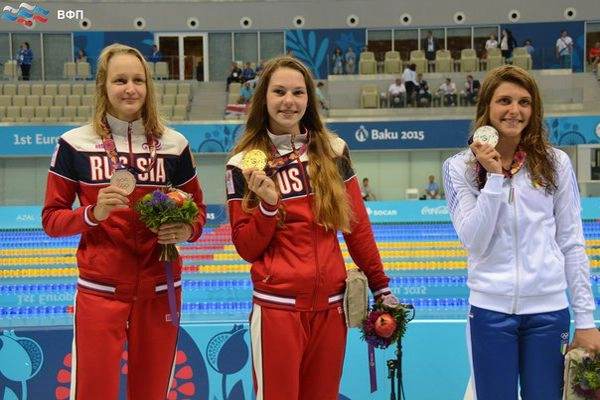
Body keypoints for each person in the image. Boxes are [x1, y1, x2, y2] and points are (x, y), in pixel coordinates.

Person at [41, 43, 207, 400]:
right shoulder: (74, 143)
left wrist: (186, 229)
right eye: (120, 81)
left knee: (152, 392)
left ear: (148, 86)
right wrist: (93, 214)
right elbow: (52, 220)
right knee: (93, 391)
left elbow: (200, 213)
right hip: (100, 291)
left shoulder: (174, 144)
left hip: (160, 290)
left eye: (138, 80)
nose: (130, 89)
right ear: (103, 86)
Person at [225, 56, 394, 400]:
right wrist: (268, 207)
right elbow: (246, 247)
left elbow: (357, 226)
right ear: (263, 98)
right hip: (277, 308)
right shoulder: (243, 164)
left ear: (309, 99)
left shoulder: (333, 151)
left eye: (298, 92)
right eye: (279, 92)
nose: (289, 101)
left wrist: (380, 287)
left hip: (331, 309)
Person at [442, 64, 600, 400]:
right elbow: (474, 242)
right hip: (490, 312)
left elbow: (571, 243)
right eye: (505, 101)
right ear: (487, 106)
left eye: (524, 102)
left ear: (534, 109)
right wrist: (494, 178)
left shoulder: (556, 163)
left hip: (548, 312)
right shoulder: (459, 167)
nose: (514, 110)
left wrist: (586, 320)